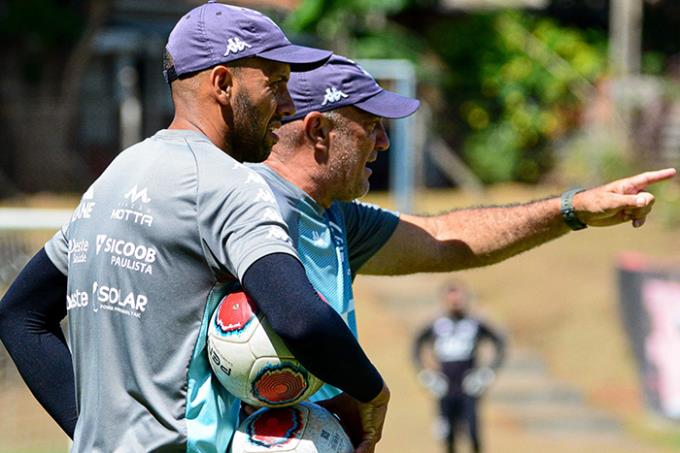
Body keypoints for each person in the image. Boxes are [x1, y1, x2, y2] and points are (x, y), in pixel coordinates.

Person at [0, 3, 390, 453]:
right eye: (276, 85)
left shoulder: (116, 175)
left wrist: (90, 428)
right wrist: (370, 391)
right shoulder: (228, 185)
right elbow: (300, 317)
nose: (287, 107)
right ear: (224, 84)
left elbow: (19, 316)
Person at [246, 53, 674, 429]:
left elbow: (442, 237)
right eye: (371, 125)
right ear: (319, 131)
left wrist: (572, 208)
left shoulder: (337, 215)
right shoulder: (241, 204)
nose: (383, 141)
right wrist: (367, 390)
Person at [413, 281, 506, 453]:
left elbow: (499, 343)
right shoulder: (437, 325)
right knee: (447, 435)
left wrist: (487, 373)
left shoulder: (474, 323)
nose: (455, 302)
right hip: (445, 387)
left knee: (473, 432)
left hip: (468, 386)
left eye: (459, 298)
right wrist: (425, 375)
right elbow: (416, 346)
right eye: (451, 298)